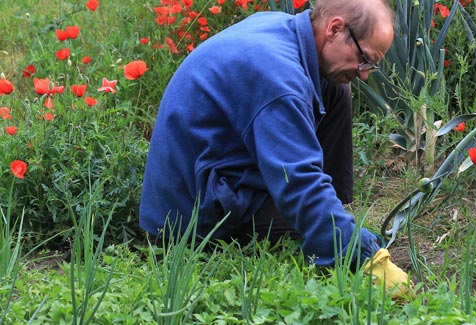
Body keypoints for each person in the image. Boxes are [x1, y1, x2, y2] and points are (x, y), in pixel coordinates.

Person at [139, 0, 395, 268]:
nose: (364, 75)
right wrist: (359, 252)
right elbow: (297, 180)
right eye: (364, 59)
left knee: (336, 88)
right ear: (335, 29)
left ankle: (333, 210)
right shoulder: (280, 80)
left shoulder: (287, 32)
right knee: (309, 214)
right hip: (190, 214)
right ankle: (333, 234)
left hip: (217, 167)